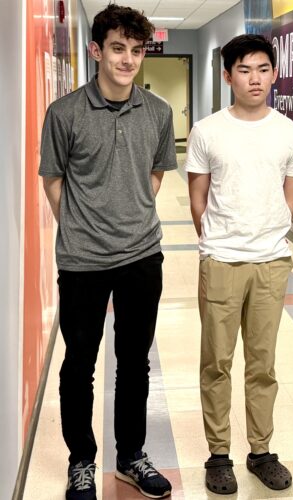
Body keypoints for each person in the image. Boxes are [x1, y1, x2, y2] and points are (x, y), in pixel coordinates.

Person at [39, 4, 176, 500]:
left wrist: (130, 213)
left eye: (136, 51)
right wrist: (83, 227)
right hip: (82, 262)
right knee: (79, 365)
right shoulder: (65, 113)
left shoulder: (158, 112)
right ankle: (81, 461)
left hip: (142, 257)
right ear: (96, 51)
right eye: (118, 48)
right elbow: (53, 180)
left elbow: (156, 173)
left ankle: (131, 456)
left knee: (134, 363)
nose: (127, 60)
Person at [185, 34, 293, 495]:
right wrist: (217, 240)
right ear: (227, 76)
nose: (254, 79)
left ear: (274, 73)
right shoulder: (207, 131)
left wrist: (269, 229)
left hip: (271, 262)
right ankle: (219, 455)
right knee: (216, 363)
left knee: (263, 364)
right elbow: (198, 197)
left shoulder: (290, 132)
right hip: (221, 260)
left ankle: (261, 452)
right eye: (244, 70)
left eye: (262, 69)